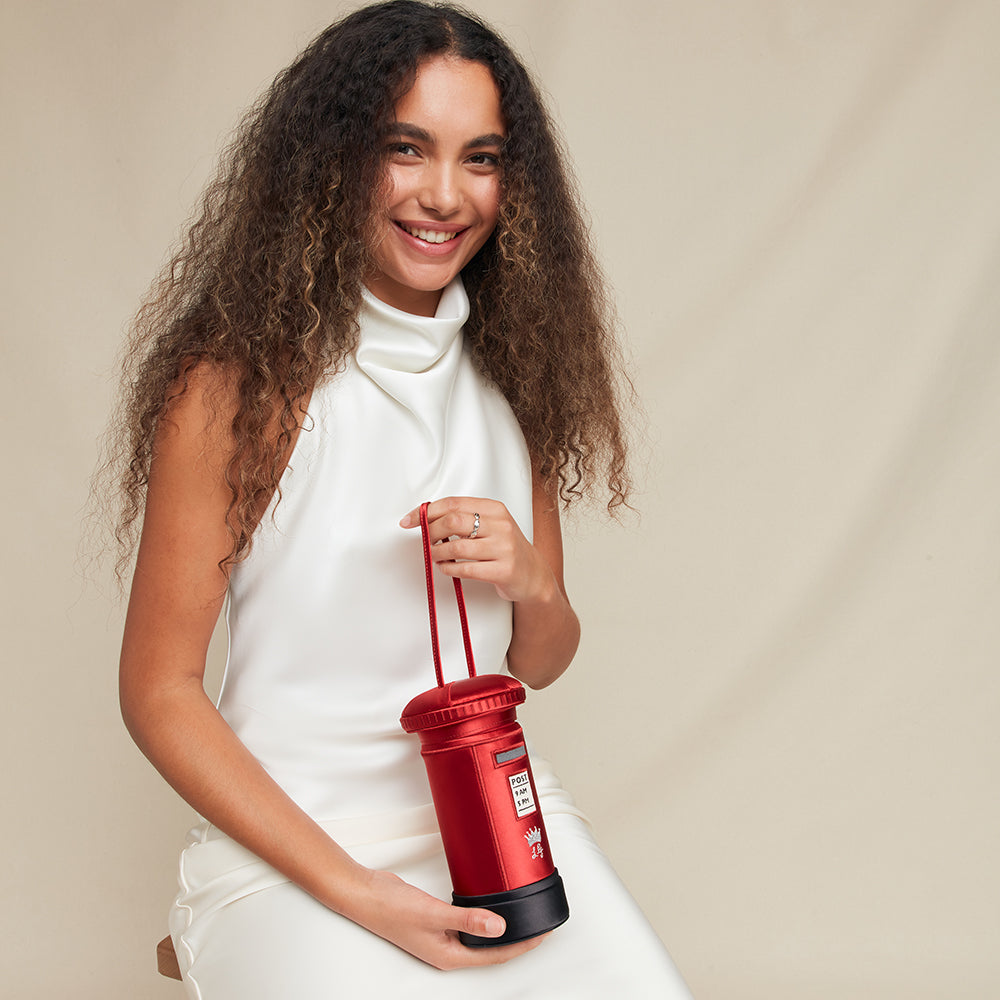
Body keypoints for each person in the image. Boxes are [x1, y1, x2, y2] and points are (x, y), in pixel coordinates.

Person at [113, 2, 692, 996]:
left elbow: (537, 661)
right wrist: (356, 893)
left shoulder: (517, 379)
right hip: (297, 842)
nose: (443, 194)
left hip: (498, 826)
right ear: (333, 159)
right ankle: (219, 930)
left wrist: (535, 584)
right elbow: (158, 691)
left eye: (481, 158)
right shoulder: (238, 384)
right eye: (404, 148)